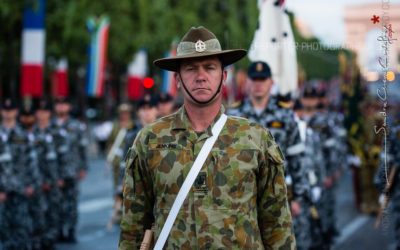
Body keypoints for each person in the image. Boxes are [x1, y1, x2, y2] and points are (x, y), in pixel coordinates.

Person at [119, 26, 295, 249]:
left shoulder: (256, 138)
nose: (201, 77)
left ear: (223, 77)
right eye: (191, 69)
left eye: (209, 68)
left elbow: (277, 224)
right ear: (178, 79)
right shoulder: (150, 140)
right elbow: (132, 228)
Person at [228, 61, 310, 249]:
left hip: (279, 195)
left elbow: (297, 157)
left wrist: (299, 197)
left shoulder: (285, 114)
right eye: (254, 79)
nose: (258, 84)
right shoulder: (234, 114)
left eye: (262, 79)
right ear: (247, 82)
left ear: (271, 82)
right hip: (241, 196)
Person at [0, 98, 40, 249]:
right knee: (3, 229)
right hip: (2, 192)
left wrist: (31, 184)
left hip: (21, 188)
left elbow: (32, 161)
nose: (8, 113)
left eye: (11, 110)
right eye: (5, 110)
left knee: (22, 227)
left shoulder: (24, 135)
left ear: (16, 112)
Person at [52, 97, 87, 242]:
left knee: (71, 203)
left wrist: (83, 167)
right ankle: (58, 231)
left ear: (69, 106)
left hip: (72, 170)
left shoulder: (76, 125)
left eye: (64, 104)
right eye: (58, 104)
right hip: (54, 171)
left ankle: (71, 231)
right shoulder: (50, 125)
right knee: (56, 203)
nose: (61, 107)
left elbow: (82, 147)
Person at [34, 99, 60, 249]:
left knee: (53, 209)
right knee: (37, 211)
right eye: (39, 111)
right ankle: (38, 239)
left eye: (45, 111)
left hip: (55, 178)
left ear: (49, 113)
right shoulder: (30, 132)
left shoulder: (56, 131)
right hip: (36, 179)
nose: (42, 114)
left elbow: (64, 156)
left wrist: (61, 176)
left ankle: (51, 238)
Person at [20, 105, 46, 250]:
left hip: (40, 182)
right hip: (21, 185)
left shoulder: (40, 135)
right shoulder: (16, 136)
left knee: (39, 215)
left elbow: (47, 161)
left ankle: (38, 243)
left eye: (30, 116)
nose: (27, 119)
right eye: (25, 116)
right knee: (21, 218)